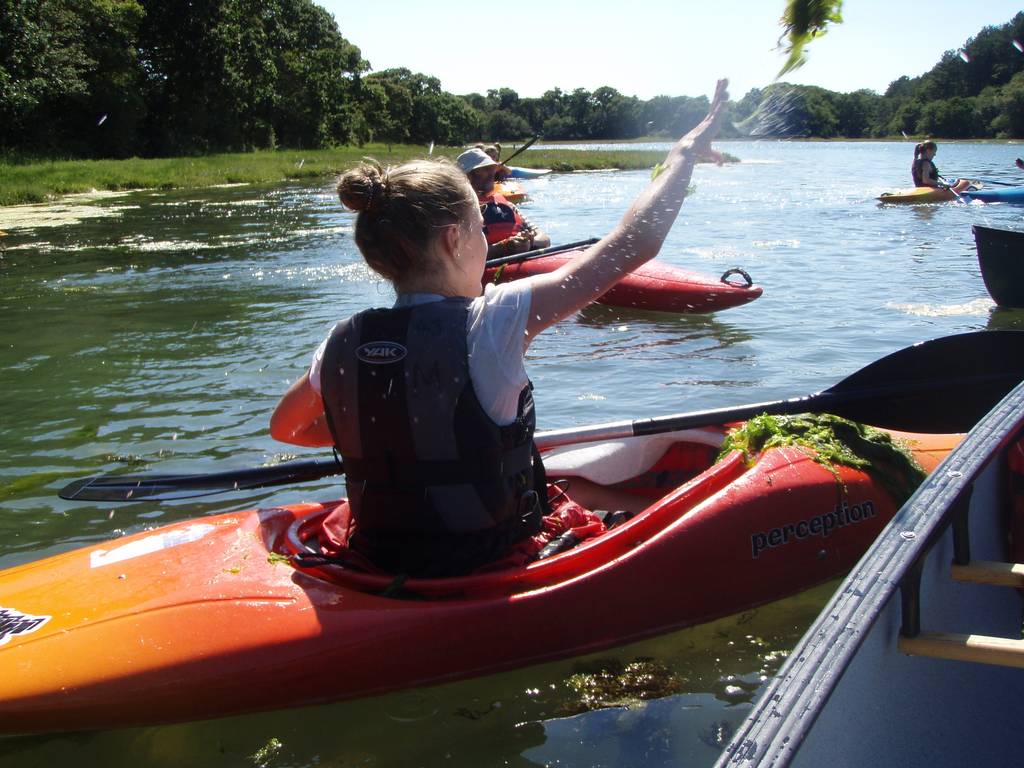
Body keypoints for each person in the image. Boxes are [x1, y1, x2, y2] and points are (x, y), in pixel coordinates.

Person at [270, 79, 729, 578]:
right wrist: (684, 152)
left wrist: (393, 442)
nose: (487, 244)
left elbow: (286, 428)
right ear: (453, 241)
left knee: (561, 483)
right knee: (558, 497)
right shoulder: (495, 319)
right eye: (480, 233)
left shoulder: (341, 339)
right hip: (485, 557)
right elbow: (635, 242)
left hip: (381, 553)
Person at [456, 147, 550, 259]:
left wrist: (529, 242)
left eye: (492, 168)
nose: (492, 172)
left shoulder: (508, 205)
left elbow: (545, 239)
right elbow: (459, 254)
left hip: (520, 262)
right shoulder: (458, 210)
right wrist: (502, 248)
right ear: (468, 176)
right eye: (484, 169)